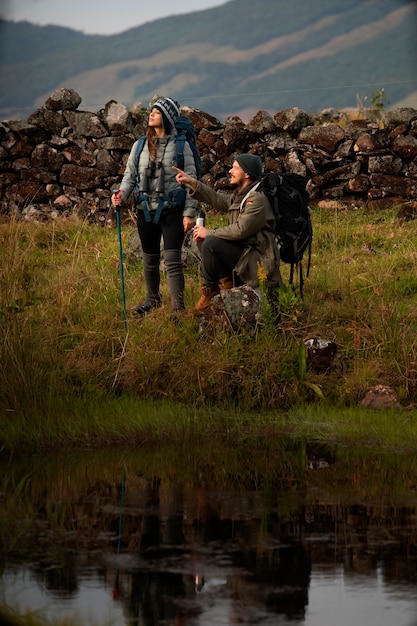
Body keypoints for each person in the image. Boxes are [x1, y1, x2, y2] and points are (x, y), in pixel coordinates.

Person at [112, 97, 197, 317]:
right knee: (149, 258)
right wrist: (121, 195)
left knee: (172, 260)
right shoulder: (140, 145)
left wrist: (189, 213)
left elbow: (192, 181)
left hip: (172, 212)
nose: (151, 115)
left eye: (157, 112)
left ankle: (178, 307)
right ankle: (152, 300)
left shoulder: (181, 146)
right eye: (152, 111)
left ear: (167, 118)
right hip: (145, 211)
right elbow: (130, 176)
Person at [173, 154, 282, 311]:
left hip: (258, 261)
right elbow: (218, 199)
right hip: (245, 254)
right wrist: (192, 182)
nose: (230, 171)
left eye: (235, 168)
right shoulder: (242, 195)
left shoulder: (257, 199)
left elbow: (240, 230)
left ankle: (211, 292)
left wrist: (209, 232)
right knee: (207, 241)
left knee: (211, 242)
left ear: (247, 174)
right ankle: (227, 284)